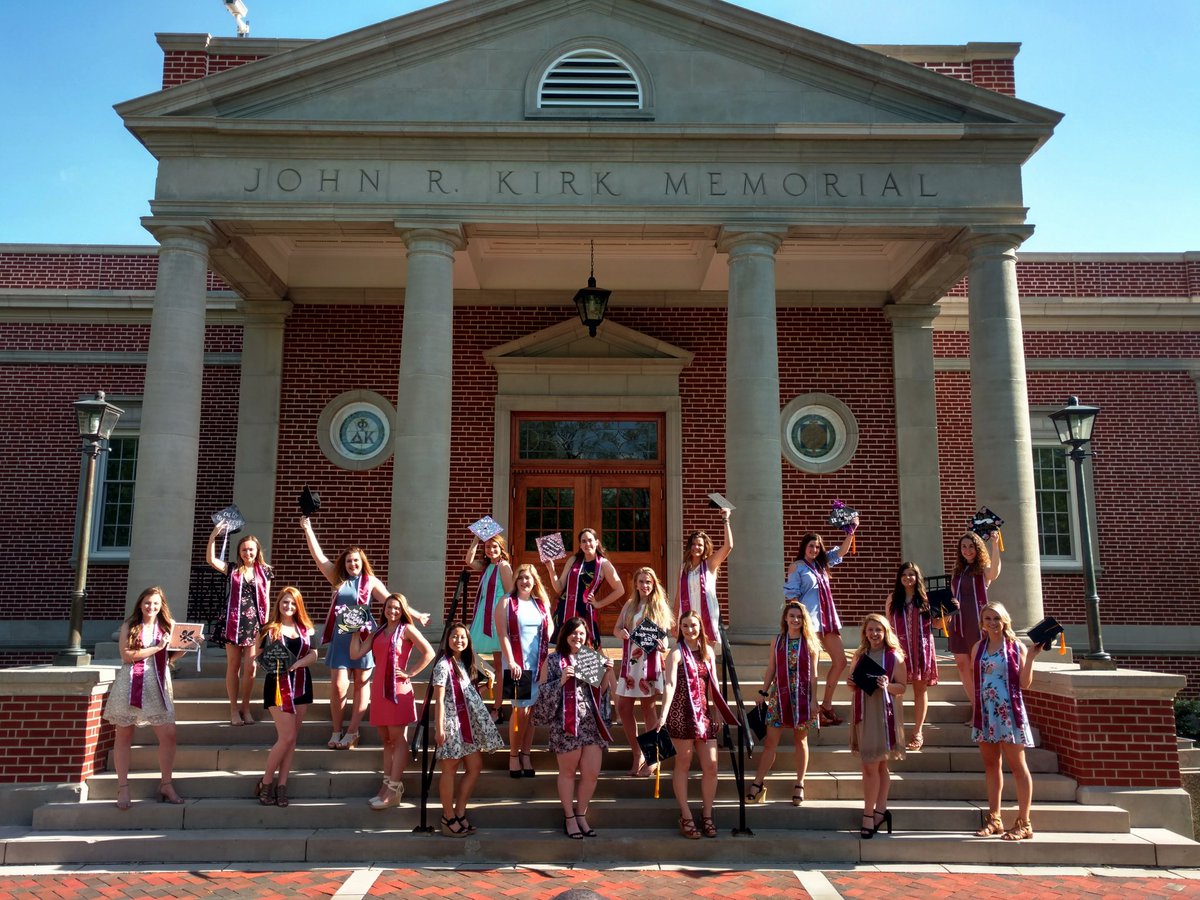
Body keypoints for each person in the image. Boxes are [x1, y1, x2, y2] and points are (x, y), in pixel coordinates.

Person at [300, 516, 429, 750]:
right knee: (339, 685)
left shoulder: (370, 581)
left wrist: (417, 615)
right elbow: (319, 557)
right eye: (349, 561)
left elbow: (392, 600)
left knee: (361, 683)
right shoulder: (337, 579)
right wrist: (308, 529)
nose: (352, 565)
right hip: (342, 638)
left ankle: (352, 731)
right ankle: (337, 729)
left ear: (362, 562)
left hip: (364, 636)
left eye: (356, 561)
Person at [103, 586, 186, 809]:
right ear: (140, 604)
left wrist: (187, 646)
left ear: (162, 607)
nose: (151, 607)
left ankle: (166, 783)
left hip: (158, 683)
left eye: (156, 604)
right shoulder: (129, 626)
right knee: (124, 735)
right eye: (148, 603)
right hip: (132, 684)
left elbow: (170, 659)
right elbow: (127, 656)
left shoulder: (167, 627)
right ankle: (123, 788)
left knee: (169, 734)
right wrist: (156, 648)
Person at [350, 592, 434, 809]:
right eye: (389, 607)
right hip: (379, 689)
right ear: (384, 609)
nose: (393, 611)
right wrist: (353, 632)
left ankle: (394, 788)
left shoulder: (407, 630)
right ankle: (386, 786)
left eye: (397, 608)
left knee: (398, 739)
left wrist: (410, 673)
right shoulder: (378, 632)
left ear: (402, 609)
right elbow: (356, 654)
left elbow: (429, 652)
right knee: (386, 740)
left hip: (397, 689)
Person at [658, 610, 737, 840]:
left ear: (700, 627)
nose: (690, 630)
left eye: (693, 625)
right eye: (685, 626)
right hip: (681, 714)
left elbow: (713, 684)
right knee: (683, 763)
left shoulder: (708, 652)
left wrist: (718, 710)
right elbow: (670, 684)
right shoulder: (676, 654)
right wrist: (663, 714)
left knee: (711, 765)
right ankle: (685, 815)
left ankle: (707, 814)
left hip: (703, 714)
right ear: (680, 630)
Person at [535, 616, 616, 839]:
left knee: (591, 774)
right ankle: (569, 817)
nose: (578, 637)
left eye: (582, 633)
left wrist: (608, 671)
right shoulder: (552, 661)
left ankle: (581, 814)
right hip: (566, 725)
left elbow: (603, 691)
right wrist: (561, 680)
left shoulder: (592, 659)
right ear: (565, 635)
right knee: (568, 772)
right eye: (574, 633)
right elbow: (541, 695)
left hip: (591, 724)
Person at [971, 601, 1041, 841]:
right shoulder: (978, 648)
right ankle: (994, 819)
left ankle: (1024, 822)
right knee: (991, 765)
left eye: (996, 619)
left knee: (1017, 765)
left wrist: (1030, 657)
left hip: (1008, 711)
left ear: (1004, 621)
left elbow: (1024, 684)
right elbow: (976, 681)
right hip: (986, 712)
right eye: (988, 619)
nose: (992, 623)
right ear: (982, 622)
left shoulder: (1015, 646)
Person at [783, 517, 859, 726]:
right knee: (812, 666)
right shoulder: (797, 567)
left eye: (817, 546)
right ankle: (813, 709)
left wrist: (851, 531)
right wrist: (797, 621)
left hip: (827, 619)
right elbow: (792, 596)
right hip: (810, 620)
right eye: (811, 546)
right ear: (804, 547)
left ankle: (826, 704)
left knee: (841, 661)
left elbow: (841, 552)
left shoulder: (822, 564)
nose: (814, 549)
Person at [431, 622, 505, 836]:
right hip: (452, 725)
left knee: (475, 766)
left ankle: (460, 812)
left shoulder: (464, 663)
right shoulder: (442, 666)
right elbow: (439, 699)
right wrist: (439, 727)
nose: (459, 640)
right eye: (455, 636)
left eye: (463, 637)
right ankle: (447, 817)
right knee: (450, 770)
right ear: (447, 639)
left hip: (467, 725)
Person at [745, 602, 819, 806]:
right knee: (770, 742)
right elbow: (771, 668)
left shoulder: (810, 643)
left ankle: (800, 783)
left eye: (799, 616)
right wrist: (763, 691)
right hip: (780, 695)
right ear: (785, 618)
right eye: (792, 616)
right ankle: (758, 783)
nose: (795, 619)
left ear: (804, 620)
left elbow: (814, 676)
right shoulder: (777, 641)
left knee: (800, 741)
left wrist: (814, 700)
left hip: (802, 698)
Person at [254, 586, 318, 807]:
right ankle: (266, 781)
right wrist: (273, 663)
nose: (288, 606)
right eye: (285, 602)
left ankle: (282, 785)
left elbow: (314, 654)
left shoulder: (305, 628)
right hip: (277, 686)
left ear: (298, 605)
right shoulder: (268, 629)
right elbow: (258, 655)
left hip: (301, 684)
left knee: (292, 740)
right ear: (278, 604)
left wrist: (298, 663)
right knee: (287, 737)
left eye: (292, 603)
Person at [847, 613, 907, 839]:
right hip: (864, 712)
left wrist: (887, 686)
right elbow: (852, 683)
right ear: (865, 632)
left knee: (872, 767)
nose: (874, 634)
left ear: (885, 632)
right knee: (875, 767)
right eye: (870, 630)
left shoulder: (894, 657)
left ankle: (869, 814)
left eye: (878, 630)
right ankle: (881, 811)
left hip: (883, 714)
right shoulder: (860, 655)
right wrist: (851, 683)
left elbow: (902, 687)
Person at [205, 524, 272, 727]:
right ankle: (233, 709)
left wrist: (266, 627)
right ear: (239, 552)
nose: (248, 552)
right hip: (233, 621)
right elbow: (210, 560)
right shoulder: (233, 569)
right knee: (233, 665)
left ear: (257, 550)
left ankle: (245, 707)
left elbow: (267, 600)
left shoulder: (266, 571)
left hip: (254, 623)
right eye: (244, 549)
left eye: (251, 549)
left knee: (250, 668)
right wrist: (214, 536)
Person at [613, 567, 674, 777]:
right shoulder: (630, 605)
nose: (645, 585)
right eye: (641, 581)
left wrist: (663, 645)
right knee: (622, 706)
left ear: (654, 584)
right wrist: (621, 632)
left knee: (649, 708)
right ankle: (637, 752)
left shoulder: (659, 606)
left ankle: (654, 757)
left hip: (649, 662)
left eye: (648, 582)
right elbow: (616, 628)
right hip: (631, 663)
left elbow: (665, 636)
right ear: (636, 584)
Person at [498, 562, 554, 778]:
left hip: (537, 663)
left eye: (528, 578)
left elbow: (549, 628)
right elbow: (502, 634)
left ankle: (526, 754)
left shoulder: (540, 603)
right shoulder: (506, 602)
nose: (524, 581)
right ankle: (513, 755)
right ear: (516, 581)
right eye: (521, 577)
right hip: (516, 665)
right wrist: (511, 662)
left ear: (534, 581)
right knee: (519, 710)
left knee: (531, 713)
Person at [886, 562, 939, 750]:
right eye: (904, 574)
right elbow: (888, 627)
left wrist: (948, 613)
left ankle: (918, 732)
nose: (908, 578)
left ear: (917, 578)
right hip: (900, 650)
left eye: (912, 574)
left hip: (921, 648)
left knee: (919, 690)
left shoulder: (925, 598)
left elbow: (939, 625)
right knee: (897, 690)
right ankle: (895, 731)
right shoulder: (893, 599)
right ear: (899, 578)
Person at [949, 531, 1002, 715]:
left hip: (976, 621)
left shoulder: (982, 569)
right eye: (964, 547)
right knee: (962, 665)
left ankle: (985, 708)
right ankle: (977, 709)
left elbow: (994, 572)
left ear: (977, 548)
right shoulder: (957, 570)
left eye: (971, 546)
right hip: (958, 621)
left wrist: (995, 545)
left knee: (976, 665)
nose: (967, 550)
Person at [464, 534, 514, 723]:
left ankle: (498, 707)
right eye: (487, 547)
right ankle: (490, 676)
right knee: (469, 652)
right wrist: (477, 540)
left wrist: (504, 619)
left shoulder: (504, 566)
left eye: (494, 547)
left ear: (501, 548)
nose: (490, 550)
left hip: (496, 616)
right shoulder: (487, 567)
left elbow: (510, 594)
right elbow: (469, 561)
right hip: (482, 615)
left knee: (500, 664)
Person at [546, 527, 623, 646]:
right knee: (564, 647)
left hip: (584, 612)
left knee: (589, 648)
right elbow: (559, 587)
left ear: (597, 542)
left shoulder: (604, 564)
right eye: (583, 541)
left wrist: (599, 604)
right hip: (565, 609)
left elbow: (620, 590)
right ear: (580, 545)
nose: (587, 544)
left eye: (590, 540)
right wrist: (551, 570)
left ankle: (604, 665)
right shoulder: (573, 560)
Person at [674, 506, 733, 646]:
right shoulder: (683, 568)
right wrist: (674, 619)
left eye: (699, 545)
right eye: (693, 544)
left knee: (707, 650)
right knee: (688, 649)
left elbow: (728, 546)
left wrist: (726, 520)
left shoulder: (710, 563)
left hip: (707, 611)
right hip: (688, 612)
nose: (696, 547)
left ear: (705, 546)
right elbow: (678, 595)